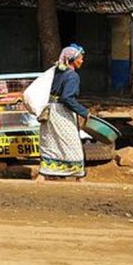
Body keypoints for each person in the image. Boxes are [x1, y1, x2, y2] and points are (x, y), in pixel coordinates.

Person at [38, 44, 90, 181]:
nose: (82, 61)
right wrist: (84, 112)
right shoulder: (72, 76)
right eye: (80, 58)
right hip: (62, 113)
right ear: (72, 59)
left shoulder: (56, 72)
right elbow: (67, 98)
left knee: (50, 143)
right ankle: (79, 176)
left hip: (49, 111)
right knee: (72, 144)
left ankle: (43, 174)